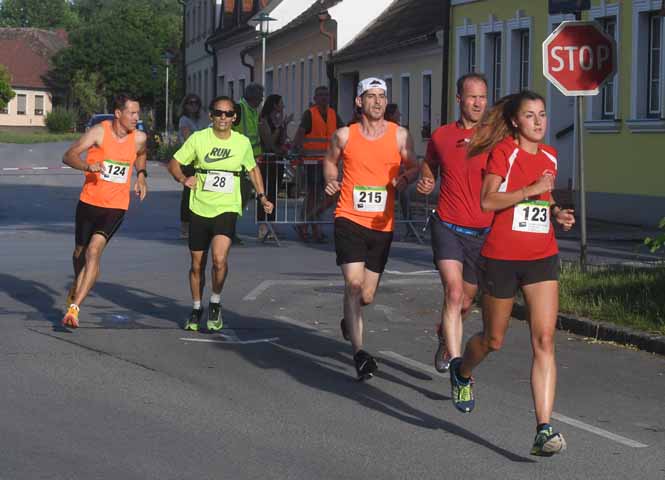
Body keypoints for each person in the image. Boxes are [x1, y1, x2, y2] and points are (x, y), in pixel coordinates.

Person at [448, 90, 575, 457]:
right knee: (493, 340)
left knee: (545, 340)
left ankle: (543, 428)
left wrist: (556, 213)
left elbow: (544, 200)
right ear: (516, 121)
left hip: (541, 257)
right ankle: (463, 371)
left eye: (543, 115)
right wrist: (529, 190)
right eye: (531, 116)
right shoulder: (503, 153)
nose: (539, 122)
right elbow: (488, 201)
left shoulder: (550, 154)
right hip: (502, 258)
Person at [323, 77, 418, 380]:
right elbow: (329, 161)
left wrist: (405, 179)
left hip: (381, 224)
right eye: (371, 96)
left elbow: (414, 166)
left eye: (382, 96)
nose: (377, 102)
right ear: (359, 102)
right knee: (352, 285)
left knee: (366, 295)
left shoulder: (400, 135)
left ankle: (349, 321)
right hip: (348, 218)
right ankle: (361, 355)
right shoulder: (344, 136)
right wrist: (330, 179)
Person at [167, 96, 274, 332]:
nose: (223, 118)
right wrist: (184, 178)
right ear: (211, 116)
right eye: (218, 113)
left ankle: (215, 302)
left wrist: (262, 196)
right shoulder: (198, 139)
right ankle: (196, 307)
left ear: (235, 117)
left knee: (219, 259)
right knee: (197, 264)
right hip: (199, 207)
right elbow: (173, 163)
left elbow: (253, 169)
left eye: (228, 114)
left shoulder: (242, 142)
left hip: (227, 208)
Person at [416, 73, 492, 373]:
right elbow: (429, 164)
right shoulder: (442, 135)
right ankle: (458, 367)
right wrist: (426, 179)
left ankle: (443, 334)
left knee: (465, 302)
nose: (478, 103)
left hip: (482, 232)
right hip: (447, 224)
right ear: (459, 99)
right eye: (472, 97)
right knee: (454, 292)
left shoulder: (496, 137)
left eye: (483, 97)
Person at [61, 93, 148, 328]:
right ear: (118, 114)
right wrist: (87, 166)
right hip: (89, 201)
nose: (136, 117)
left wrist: (141, 176)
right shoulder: (99, 132)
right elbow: (68, 155)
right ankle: (77, 286)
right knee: (79, 252)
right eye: (132, 113)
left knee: (93, 251)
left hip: (116, 206)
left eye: (138, 113)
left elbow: (141, 154)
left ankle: (74, 308)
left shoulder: (139, 137)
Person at [292, 85, 344, 243]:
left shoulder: (333, 114)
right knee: (313, 196)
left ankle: (306, 222)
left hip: (329, 162)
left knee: (331, 195)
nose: (324, 98)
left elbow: (344, 132)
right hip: (312, 161)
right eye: (321, 95)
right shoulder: (310, 114)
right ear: (315, 98)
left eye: (326, 95)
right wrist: (299, 150)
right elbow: (299, 135)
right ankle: (314, 229)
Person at [233, 83, 265, 243]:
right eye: (260, 96)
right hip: (239, 162)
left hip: (249, 161)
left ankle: (229, 231)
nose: (261, 99)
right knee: (237, 198)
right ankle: (228, 232)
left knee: (242, 198)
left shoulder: (252, 111)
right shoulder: (239, 109)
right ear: (254, 97)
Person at [258, 94, 292, 239]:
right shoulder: (264, 121)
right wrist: (278, 127)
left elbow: (282, 140)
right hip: (266, 160)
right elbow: (269, 142)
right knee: (265, 192)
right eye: (281, 103)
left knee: (274, 192)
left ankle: (271, 222)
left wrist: (284, 126)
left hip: (277, 160)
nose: (283, 106)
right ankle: (263, 225)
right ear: (274, 105)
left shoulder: (277, 120)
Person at [178, 94, 208, 239]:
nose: (193, 106)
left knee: (202, 191)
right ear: (185, 105)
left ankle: (199, 223)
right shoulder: (184, 120)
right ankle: (185, 226)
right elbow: (188, 138)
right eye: (190, 103)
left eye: (196, 103)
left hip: (202, 158)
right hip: (189, 160)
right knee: (189, 192)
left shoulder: (201, 119)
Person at [385, 103, 411, 232]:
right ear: (390, 115)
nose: (399, 115)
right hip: (385, 174)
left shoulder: (399, 131)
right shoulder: (383, 130)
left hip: (397, 173)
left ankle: (409, 228)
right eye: (397, 113)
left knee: (404, 199)